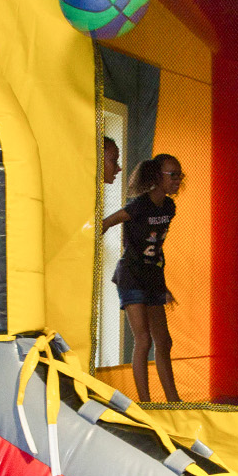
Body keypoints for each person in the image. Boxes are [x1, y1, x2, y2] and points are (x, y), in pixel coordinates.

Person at [102, 154, 184, 402]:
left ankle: (173, 400)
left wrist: (162, 286)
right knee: (143, 339)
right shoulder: (139, 205)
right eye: (172, 175)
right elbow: (109, 221)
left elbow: (156, 248)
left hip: (152, 277)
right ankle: (145, 402)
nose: (177, 180)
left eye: (180, 175)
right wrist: (92, 230)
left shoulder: (169, 207)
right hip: (131, 275)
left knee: (164, 341)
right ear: (157, 176)